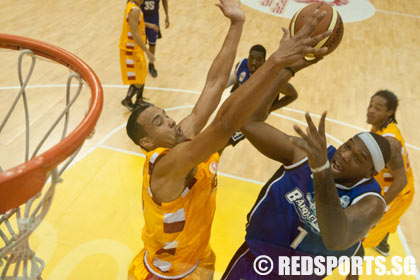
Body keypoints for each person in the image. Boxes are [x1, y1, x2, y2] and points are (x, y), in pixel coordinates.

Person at [125, 2, 331, 279]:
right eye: (159, 122)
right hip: (165, 273)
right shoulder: (166, 164)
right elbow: (224, 124)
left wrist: (237, 24)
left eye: (165, 114)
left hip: (197, 258)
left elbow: (214, 84)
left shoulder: (182, 136)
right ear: (148, 143)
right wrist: (276, 62)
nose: (172, 120)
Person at [221, 73, 392, 279]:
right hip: (254, 264)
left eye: (358, 158)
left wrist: (320, 171)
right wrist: (285, 68)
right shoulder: (307, 155)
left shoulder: (371, 202)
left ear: (370, 173)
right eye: (347, 146)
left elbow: (336, 239)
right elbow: (249, 123)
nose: (345, 155)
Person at [362, 90, 414, 256]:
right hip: (390, 183)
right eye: (371, 105)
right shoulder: (381, 127)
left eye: (377, 108)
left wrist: (380, 206)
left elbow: (401, 181)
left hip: (398, 192)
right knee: (384, 222)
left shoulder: (390, 141)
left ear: (389, 112)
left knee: (364, 235)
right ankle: (383, 241)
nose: (371, 110)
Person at [227, 44, 299, 146]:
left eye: (258, 59)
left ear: (264, 61)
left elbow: (293, 95)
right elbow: (233, 80)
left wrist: (269, 108)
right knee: (219, 133)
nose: (253, 63)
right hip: (240, 106)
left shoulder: (273, 78)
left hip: (252, 118)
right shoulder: (241, 65)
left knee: (225, 141)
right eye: (251, 58)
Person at [119, 0, 160, 111]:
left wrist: (148, 25)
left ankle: (139, 100)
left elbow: (136, 23)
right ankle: (127, 100)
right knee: (138, 80)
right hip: (130, 49)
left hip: (135, 49)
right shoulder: (134, 10)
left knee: (142, 74)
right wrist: (148, 52)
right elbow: (135, 33)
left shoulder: (133, 6)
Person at [141, 0, 169, 78]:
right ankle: (139, 64)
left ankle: (151, 64)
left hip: (153, 16)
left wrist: (167, 16)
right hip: (142, 15)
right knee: (139, 43)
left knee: (152, 43)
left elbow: (164, 1)